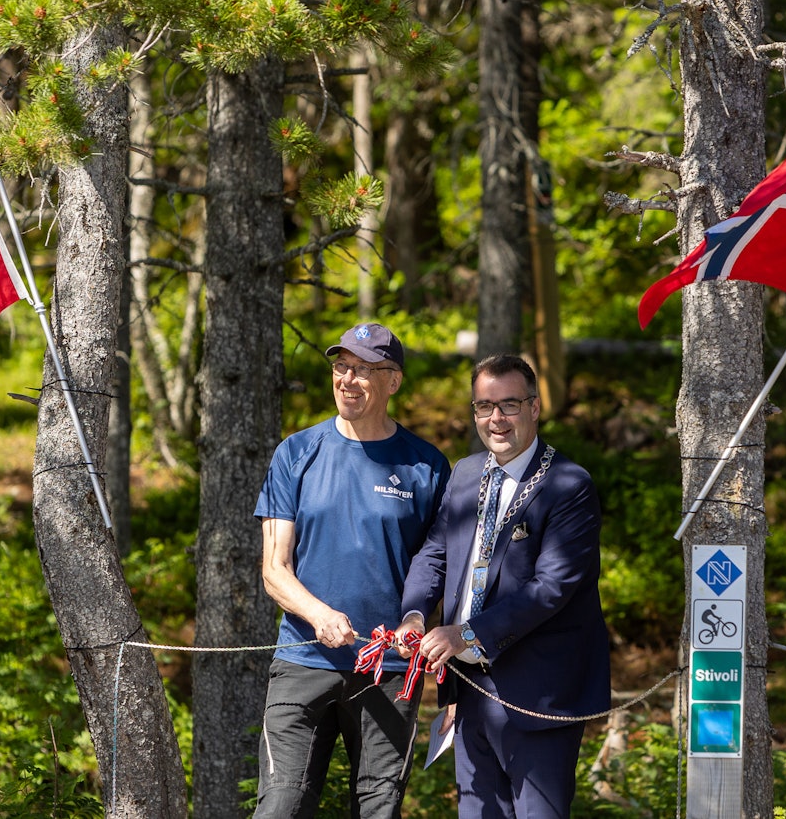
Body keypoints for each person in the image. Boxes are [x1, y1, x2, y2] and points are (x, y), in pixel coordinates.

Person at [395, 353, 610, 819]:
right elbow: (436, 553)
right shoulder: (466, 473)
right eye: (483, 406)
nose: (496, 419)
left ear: (535, 408)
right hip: (468, 691)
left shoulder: (569, 485)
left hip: (539, 695)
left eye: (509, 405)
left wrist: (464, 635)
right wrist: (414, 613)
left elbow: (552, 587)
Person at [253, 322, 450, 819]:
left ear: (393, 382)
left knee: (377, 811)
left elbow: (441, 566)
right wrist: (319, 615)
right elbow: (274, 569)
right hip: (303, 664)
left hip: (391, 672)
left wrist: (417, 623)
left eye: (365, 370)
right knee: (281, 806)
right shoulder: (296, 453)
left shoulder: (426, 466)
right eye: (342, 367)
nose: (348, 379)